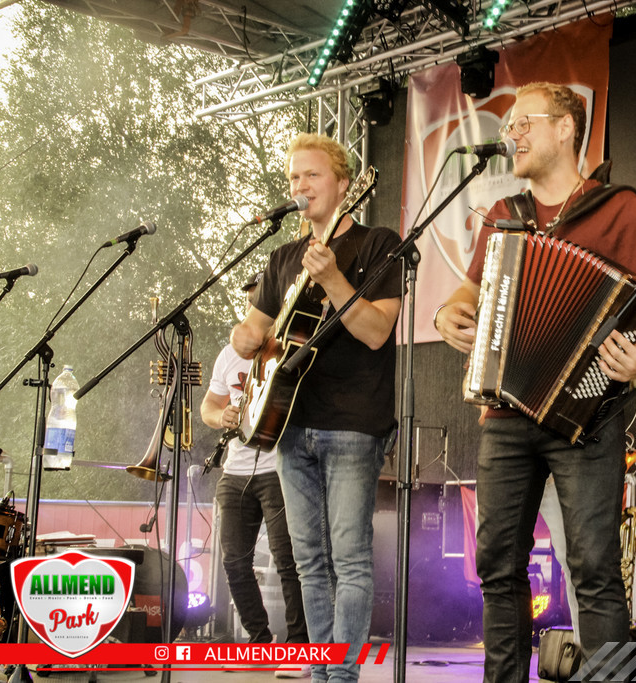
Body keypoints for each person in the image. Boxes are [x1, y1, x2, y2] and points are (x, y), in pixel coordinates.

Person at [434, 82, 636, 682]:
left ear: (565, 128)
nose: (512, 134)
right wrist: (448, 311)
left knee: (594, 569)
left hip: (587, 414)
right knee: (497, 566)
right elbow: (470, 289)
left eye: (523, 122)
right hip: (506, 413)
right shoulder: (505, 216)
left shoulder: (621, 210)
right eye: (509, 126)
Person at [231, 133, 402, 682]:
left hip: (354, 422)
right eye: (293, 177)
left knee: (349, 558)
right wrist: (243, 337)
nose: (300, 186)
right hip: (289, 424)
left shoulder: (378, 243)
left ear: (344, 184)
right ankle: (320, 671)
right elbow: (255, 330)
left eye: (311, 175)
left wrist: (332, 278)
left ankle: (343, 676)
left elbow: (376, 332)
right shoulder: (282, 258)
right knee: (308, 561)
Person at [201, 272, 310, 678]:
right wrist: (221, 417)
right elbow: (208, 407)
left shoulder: (290, 348)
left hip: (278, 467)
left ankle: (299, 647)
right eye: (250, 302)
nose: (253, 310)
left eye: (260, 302)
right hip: (235, 469)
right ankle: (259, 640)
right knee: (233, 560)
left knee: (289, 561)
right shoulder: (229, 354)